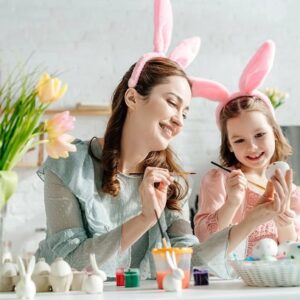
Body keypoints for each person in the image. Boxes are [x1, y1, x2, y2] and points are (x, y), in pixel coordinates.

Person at [36, 56, 292, 279]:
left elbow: (193, 262)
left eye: (185, 113)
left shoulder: (170, 183)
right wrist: (145, 218)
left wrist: (255, 219)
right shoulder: (69, 164)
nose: (179, 120)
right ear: (132, 98)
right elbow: (68, 264)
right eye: (172, 102)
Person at [193, 40, 300, 257]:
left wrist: (283, 216)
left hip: (270, 282)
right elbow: (204, 241)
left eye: (260, 135)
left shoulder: (291, 190)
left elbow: (291, 250)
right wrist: (232, 202)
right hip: (228, 285)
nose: (252, 146)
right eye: (239, 140)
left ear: (274, 133)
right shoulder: (219, 180)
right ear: (229, 146)